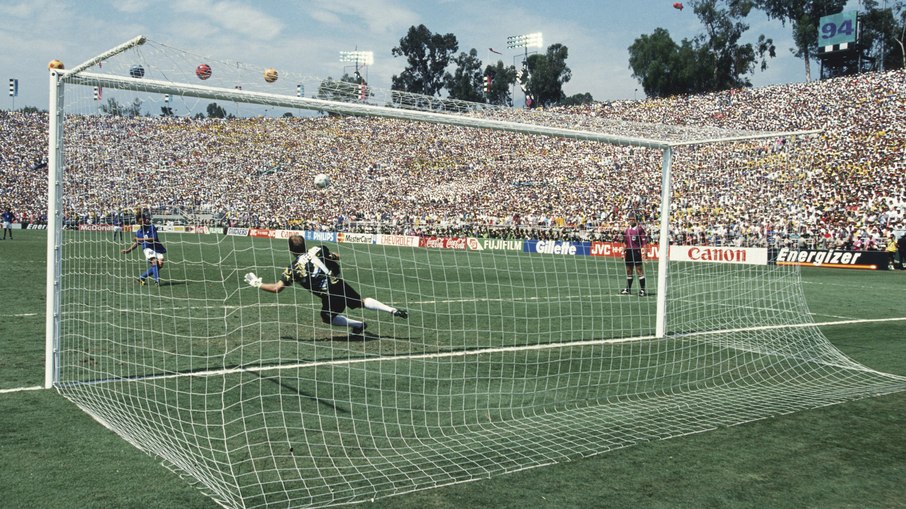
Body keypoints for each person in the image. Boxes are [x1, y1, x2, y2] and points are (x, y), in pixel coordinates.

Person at [245, 234, 407, 335]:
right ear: (305, 244)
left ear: (290, 249)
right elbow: (336, 256)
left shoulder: (293, 268)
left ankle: (358, 324)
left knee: (326, 317)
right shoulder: (318, 249)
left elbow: (276, 288)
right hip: (339, 284)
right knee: (361, 302)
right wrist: (333, 258)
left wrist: (257, 283)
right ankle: (391, 310)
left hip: (329, 294)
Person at [120, 212, 166, 286]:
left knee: (160, 264)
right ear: (138, 222)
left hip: (156, 247)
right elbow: (137, 243)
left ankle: (141, 277)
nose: (143, 222)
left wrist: (140, 239)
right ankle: (157, 281)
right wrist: (128, 250)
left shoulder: (151, 227)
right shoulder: (139, 232)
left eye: (144, 220)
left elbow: (154, 238)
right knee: (154, 261)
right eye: (141, 221)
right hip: (147, 248)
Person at [620, 216, 648, 296]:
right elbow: (625, 243)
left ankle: (642, 290)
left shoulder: (639, 229)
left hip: (636, 251)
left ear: (636, 220)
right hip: (628, 252)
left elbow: (644, 244)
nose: (630, 221)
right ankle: (628, 289)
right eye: (629, 219)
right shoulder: (627, 230)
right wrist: (623, 251)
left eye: (632, 219)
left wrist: (645, 255)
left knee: (639, 270)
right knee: (629, 270)